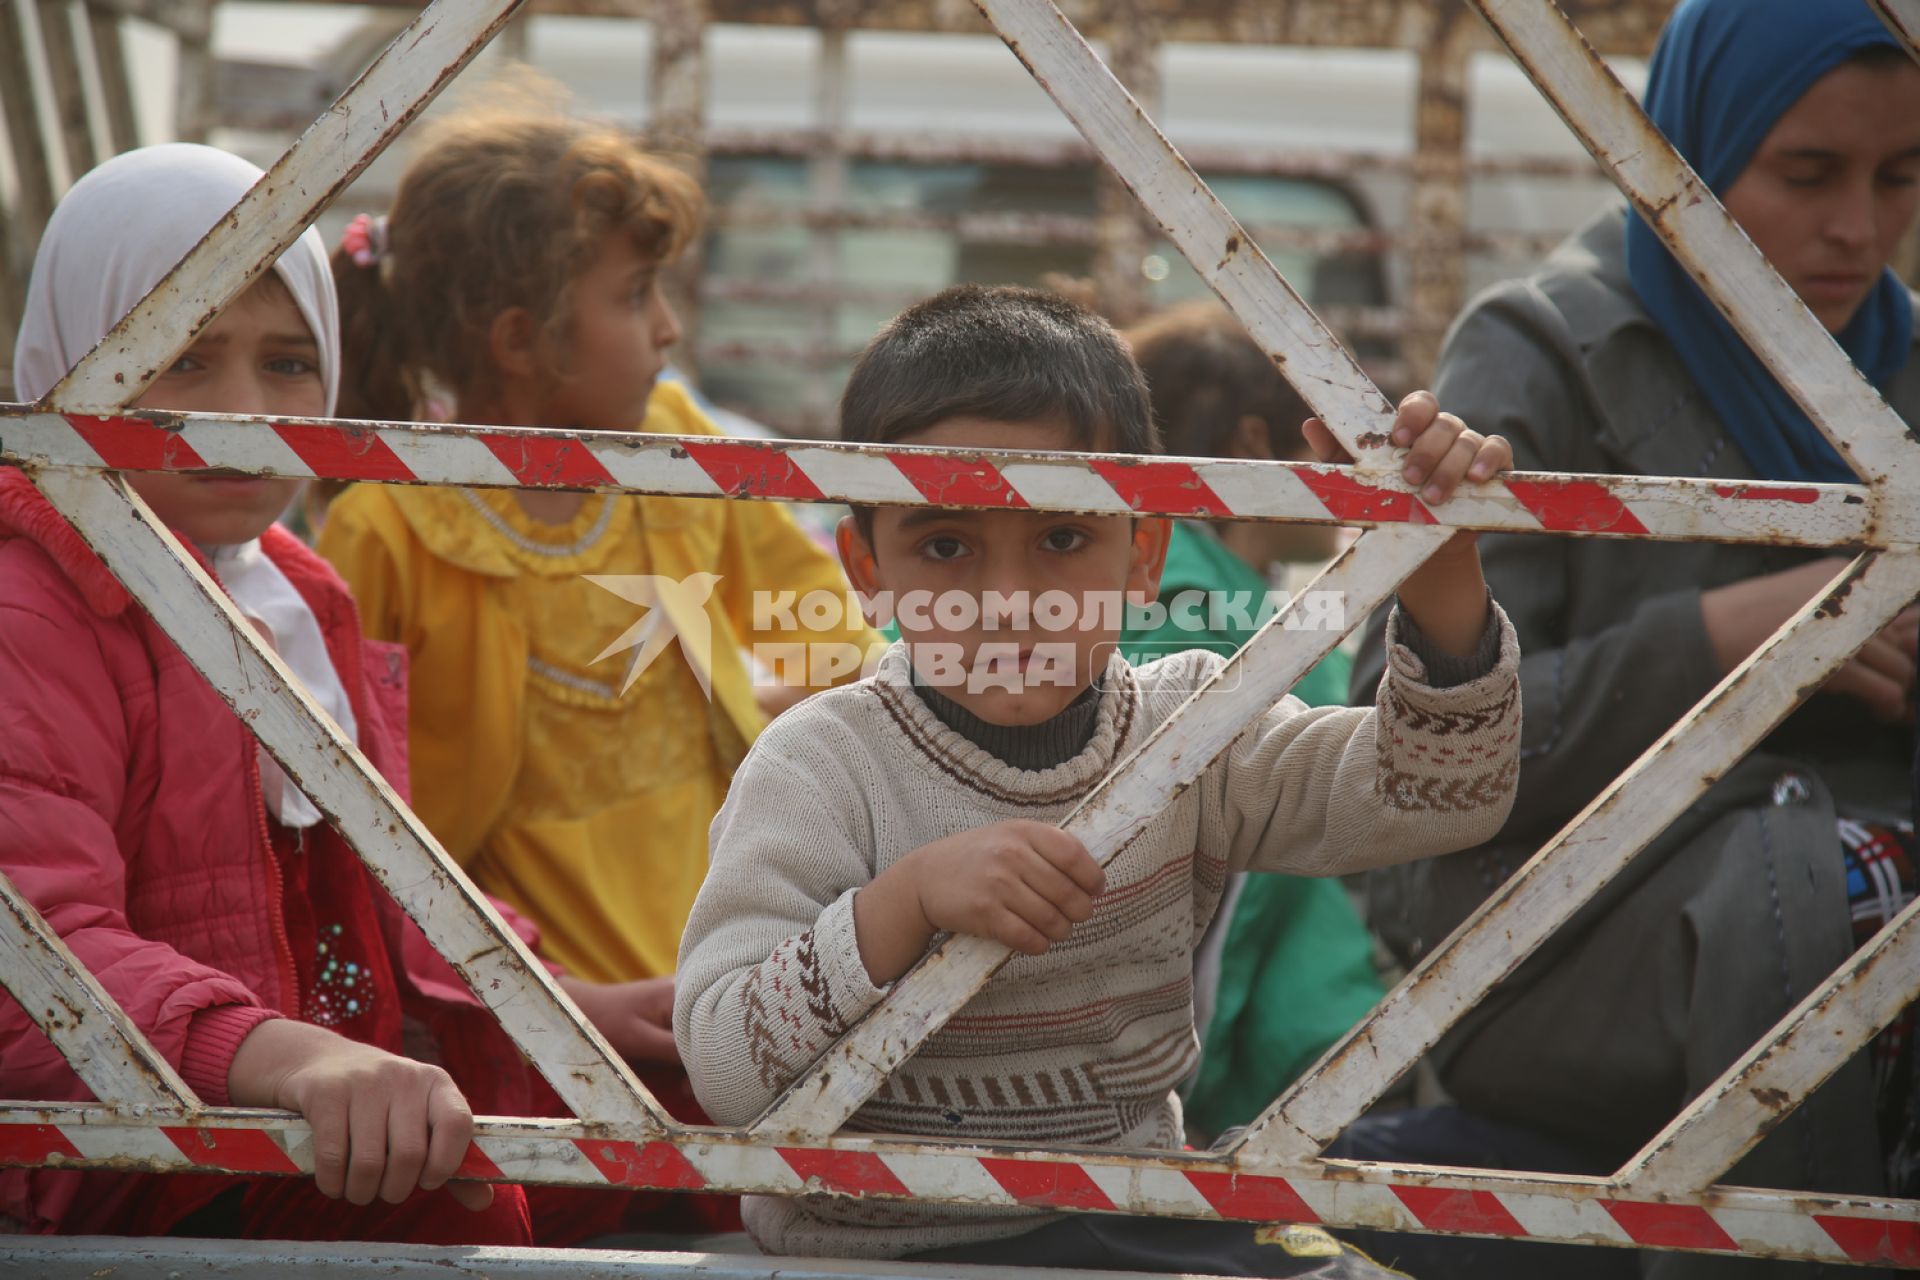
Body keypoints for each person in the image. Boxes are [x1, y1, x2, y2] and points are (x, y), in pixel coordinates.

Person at [675, 284, 1522, 1274]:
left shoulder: (1191, 726)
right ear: (865, 564)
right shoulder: (821, 762)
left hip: (1133, 1219)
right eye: (945, 546)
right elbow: (726, 1067)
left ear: (1144, 553)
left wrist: (1441, 570)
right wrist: (901, 903)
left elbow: (1440, 795)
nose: (1007, 601)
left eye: (1062, 539)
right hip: (875, 1243)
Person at [1349, 2, 1920, 1274]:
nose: (1860, 230)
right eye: (1807, 173)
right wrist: (1727, 637)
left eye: (1901, 177)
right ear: (1690, 157)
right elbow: (1397, 750)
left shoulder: (1905, 368)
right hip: (1566, 953)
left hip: (1869, 891)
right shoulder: (1545, 348)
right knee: (1822, 886)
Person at [0, 144, 547, 1244]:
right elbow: (34, 950)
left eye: (290, 364)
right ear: (68, 361)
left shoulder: (301, 588)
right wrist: (293, 1055)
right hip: (125, 1148)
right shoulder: (29, 599)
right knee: (449, 1207)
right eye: (185, 360)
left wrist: (572, 1001)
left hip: (337, 1097)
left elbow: (380, 889)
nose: (244, 413)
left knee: (703, 1118)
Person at [315, 89, 880, 1013]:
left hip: (740, 968)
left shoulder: (673, 441)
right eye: (633, 294)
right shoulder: (387, 528)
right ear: (518, 341)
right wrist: (542, 998)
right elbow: (367, 822)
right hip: (537, 1014)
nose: (669, 326)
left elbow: (818, 626)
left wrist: (852, 717)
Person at [1118, 301, 1385, 1141]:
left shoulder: (1212, 598)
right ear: (1252, 447)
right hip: (1276, 1062)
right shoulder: (1204, 618)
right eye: (1315, 439)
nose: (1342, 474)